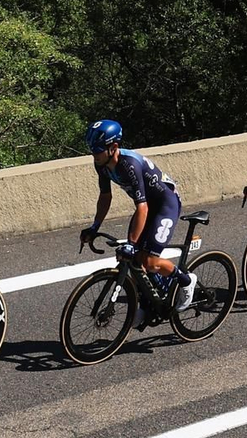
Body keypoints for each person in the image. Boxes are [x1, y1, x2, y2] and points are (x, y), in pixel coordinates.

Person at [82, 119, 196, 312]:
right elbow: (105, 196)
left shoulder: (129, 165)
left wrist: (132, 243)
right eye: (92, 150)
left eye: (98, 150)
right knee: (132, 261)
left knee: (149, 261)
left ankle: (186, 281)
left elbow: (141, 207)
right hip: (147, 206)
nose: (95, 155)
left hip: (165, 205)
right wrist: (95, 227)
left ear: (113, 147)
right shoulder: (101, 164)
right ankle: (147, 303)